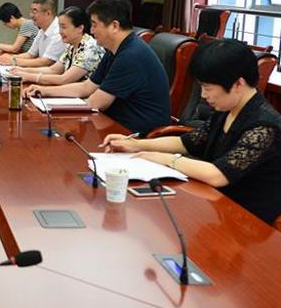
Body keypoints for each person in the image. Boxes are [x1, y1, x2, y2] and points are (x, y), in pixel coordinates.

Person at [101, 39, 281, 225]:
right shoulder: (228, 109)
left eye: (208, 88)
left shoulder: (264, 125)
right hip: (214, 205)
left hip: (247, 220)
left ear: (238, 84)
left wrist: (167, 160)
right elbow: (186, 142)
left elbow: (219, 175)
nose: (203, 95)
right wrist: (136, 144)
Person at [26, 0, 169, 135]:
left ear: (114, 26)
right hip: (113, 124)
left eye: (94, 25)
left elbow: (96, 103)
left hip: (136, 134)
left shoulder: (131, 55)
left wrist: (51, 108)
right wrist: (44, 91)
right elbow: (86, 87)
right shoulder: (114, 50)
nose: (91, 30)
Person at [9, 6, 105, 86]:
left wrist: (29, 76)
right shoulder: (71, 46)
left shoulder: (91, 48)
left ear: (80, 28)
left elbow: (64, 79)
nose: (60, 31)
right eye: (59, 27)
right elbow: (53, 70)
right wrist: (23, 70)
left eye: (63, 27)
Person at [0, 0, 64, 67]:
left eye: (35, 11)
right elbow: (30, 54)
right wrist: (10, 57)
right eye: (31, 11)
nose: (31, 15)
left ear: (47, 13)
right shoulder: (42, 30)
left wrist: (13, 61)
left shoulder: (59, 31)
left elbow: (46, 61)